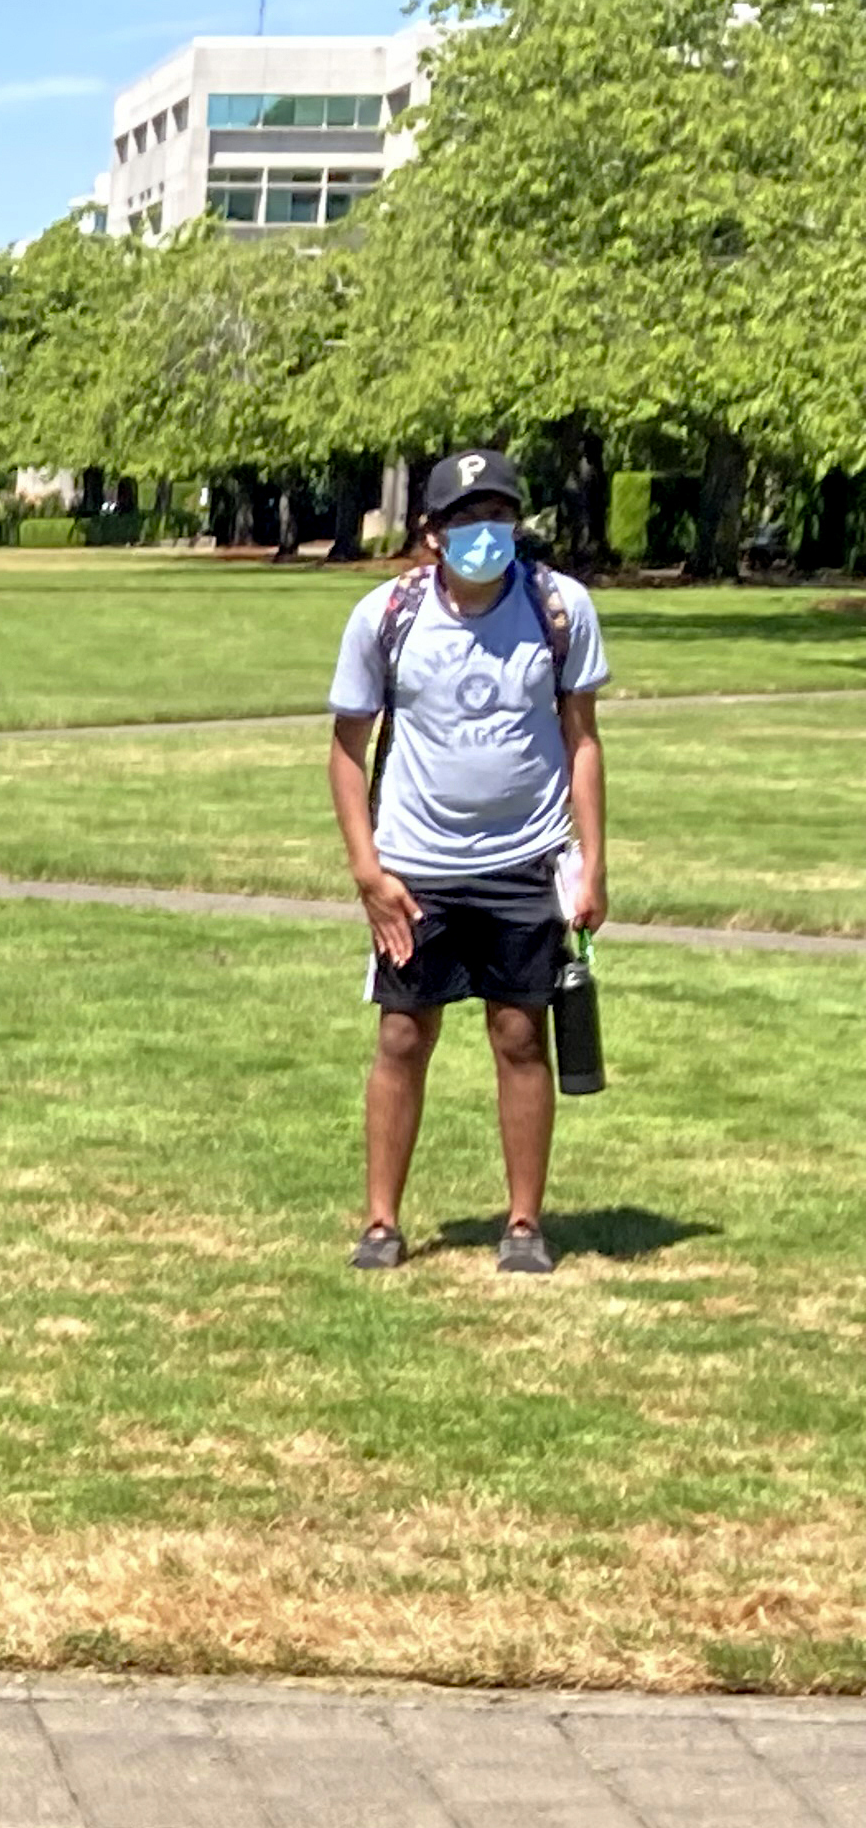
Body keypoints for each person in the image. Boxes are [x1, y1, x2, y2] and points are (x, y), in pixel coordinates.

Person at [327, 443, 610, 1274]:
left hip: (527, 858)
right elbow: (346, 750)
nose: (485, 531)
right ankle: (382, 1223)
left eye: (498, 514)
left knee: (521, 1033)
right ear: (432, 533)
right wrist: (369, 872)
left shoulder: (560, 607)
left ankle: (523, 1225)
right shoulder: (386, 615)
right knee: (402, 1035)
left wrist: (592, 864)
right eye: (466, 517)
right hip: (416, 866)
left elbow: (583, 741)